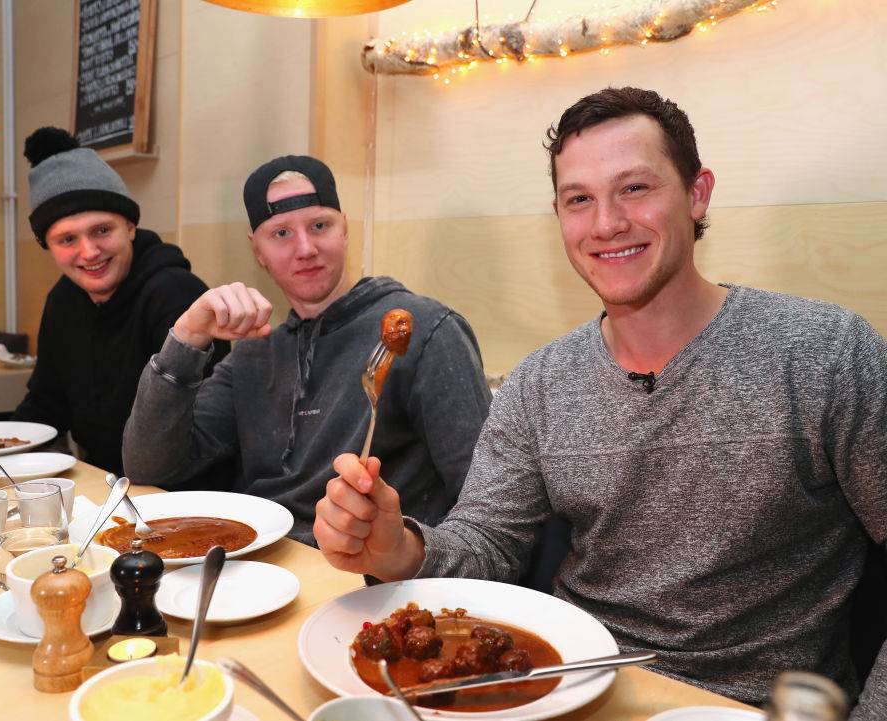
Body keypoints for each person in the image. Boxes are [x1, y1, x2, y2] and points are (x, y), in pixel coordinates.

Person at [314, 87, 887, 716]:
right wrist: (400, 549)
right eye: (579, 200)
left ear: (697, 194)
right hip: (577, 691)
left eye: (635, 189)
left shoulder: (826, 353)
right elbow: (486, 546)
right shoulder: (540, 384)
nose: (607, 223)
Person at [122, 155, 491, 544]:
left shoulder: (425, 330)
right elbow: (149, 467)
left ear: (344, 229)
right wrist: (186, 337)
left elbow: (485, 500)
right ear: (257, 251)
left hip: (371, 576)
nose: (305, 248)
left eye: (319, 226)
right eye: (281, 233)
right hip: (261, 565)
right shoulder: (253, 354)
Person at [14, 127, 229, 475]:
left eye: (102, 230)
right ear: (48, 248)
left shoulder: (176, 293)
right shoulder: (63, 299)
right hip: (98, 482)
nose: (89, 252)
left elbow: (209, 426)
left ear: (129, 226)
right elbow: (46, 402)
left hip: (178, 490)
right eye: (67, 239)